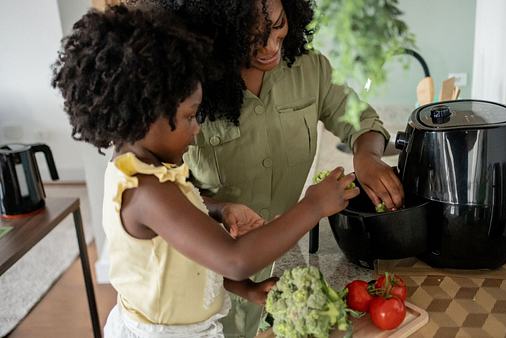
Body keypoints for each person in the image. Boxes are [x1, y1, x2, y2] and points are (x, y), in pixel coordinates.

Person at [51, 5, 359, 338]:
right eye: (189, 116)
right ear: (145, 117)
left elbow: (183, 260)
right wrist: (314, 205)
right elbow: (234, 258)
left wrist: (244, 285)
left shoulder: (149, 172)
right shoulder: (147, 191)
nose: (197, 129)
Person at [127, 0, 406, 336]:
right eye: (253, 38)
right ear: (216, 32)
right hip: (202, 275)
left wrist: (367, 156)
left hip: (257, 279)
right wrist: (309, 206)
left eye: (279, 26)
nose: (271, 46)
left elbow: (361, 118)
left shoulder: (309, 68)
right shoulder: (184, 90)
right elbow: (175, 191)